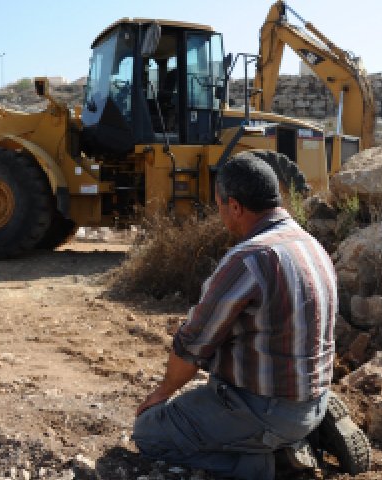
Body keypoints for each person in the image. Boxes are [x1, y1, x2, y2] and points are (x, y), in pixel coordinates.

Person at [132, 155, 367, 479]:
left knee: (148, 432)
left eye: (220, 206)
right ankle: (306, 426)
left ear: (235, 206)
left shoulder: (250, 259)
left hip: (264, 409)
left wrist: (161, 394)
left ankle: (275, 459)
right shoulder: (312, 246)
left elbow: (191, 346)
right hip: (313, 397)